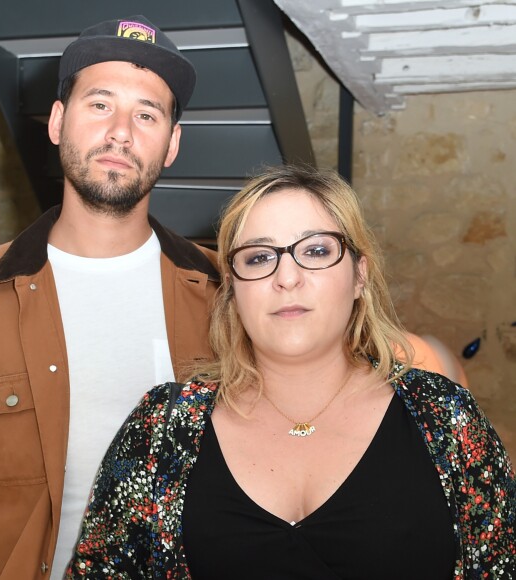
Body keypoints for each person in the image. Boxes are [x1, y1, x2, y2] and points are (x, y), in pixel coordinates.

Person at [66, 165, 515, 579]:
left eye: (316, 250)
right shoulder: (162, 428)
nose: (286, 277)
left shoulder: (443, 415)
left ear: (360, 276)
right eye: (259, 257)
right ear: (233, 288)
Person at [0, 16, 219, 579]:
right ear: (59, 121)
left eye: (147, 114)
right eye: (100, 105)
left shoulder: (224, 288)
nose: (121, 132)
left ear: (172, 144)